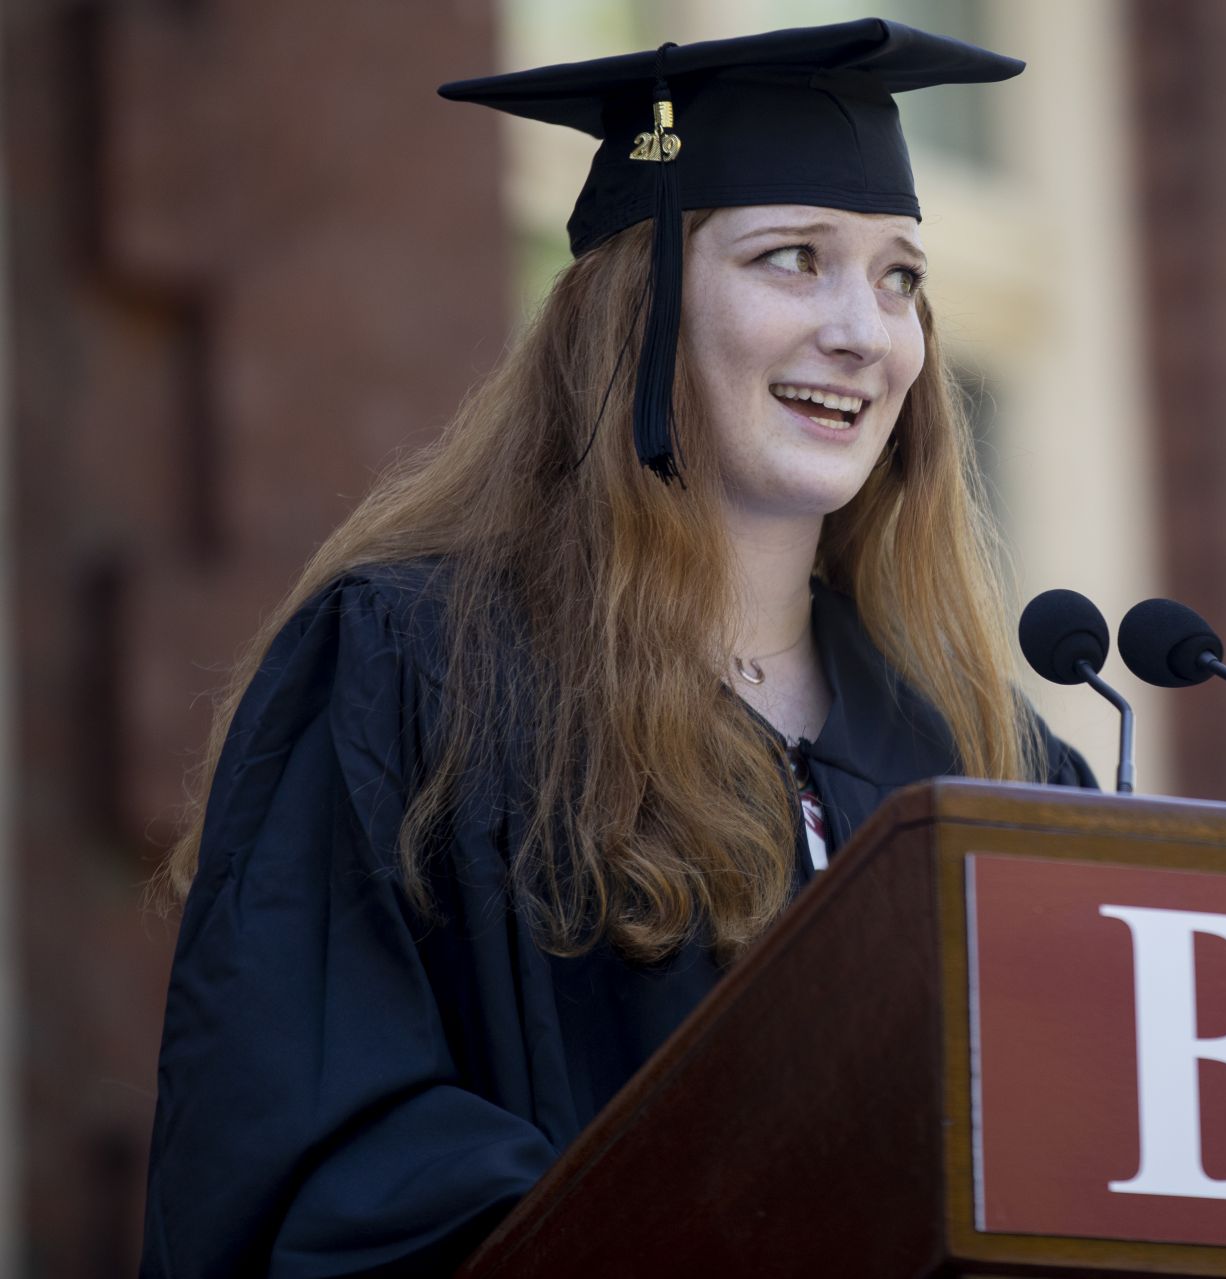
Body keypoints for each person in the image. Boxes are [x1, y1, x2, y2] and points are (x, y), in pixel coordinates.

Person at [139, 19, 1092, 1277]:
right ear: (632, 310)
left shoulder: (990, 763)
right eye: (792, 258)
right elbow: (317, 1141)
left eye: (900, 276)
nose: (864, 330)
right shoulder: (419, 673)